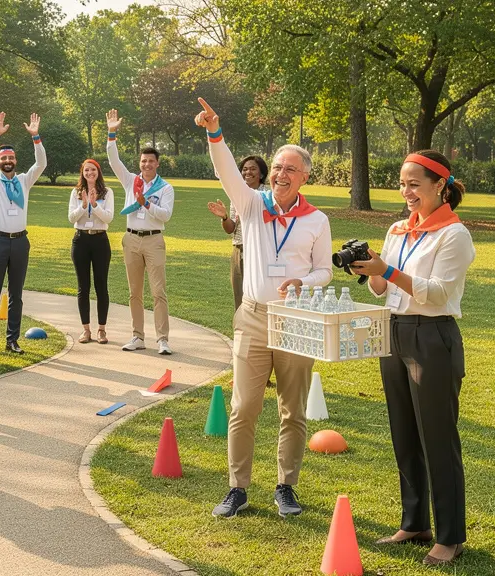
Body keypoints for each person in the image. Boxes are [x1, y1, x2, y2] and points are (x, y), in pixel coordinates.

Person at [194, 98, 333, 519]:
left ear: (305, 176)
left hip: (296, 321)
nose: (280, 174)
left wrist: (304, 282)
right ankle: (237, 488)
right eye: (276, 167)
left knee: (293, 410)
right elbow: (226, 171)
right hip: (253, 317)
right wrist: (214, 132)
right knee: (243, 407)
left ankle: (285, 486)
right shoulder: (252, 203)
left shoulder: (317, 220)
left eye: (290, 168)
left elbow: (325, 270)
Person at [349, 150, 474, 566]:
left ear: (440, 185)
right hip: (394, 332)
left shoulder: (454, 234)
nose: (406, 191)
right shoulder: (398, 229)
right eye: (402, 184)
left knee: (437, 438)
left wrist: (386, 271)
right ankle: (415, 522)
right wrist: (371, 272)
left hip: (432, 337)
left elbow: (436, 293)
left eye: (414, 184)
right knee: (404, 433)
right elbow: (382, 289)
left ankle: (450, 537)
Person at [105, 109, 174, 355]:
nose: (146, 165)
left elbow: (165, 215)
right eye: (143, 161)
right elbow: (113, 160)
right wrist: (111, 133)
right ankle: (137, 336)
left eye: (151, 161)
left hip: (154, 240)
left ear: (157, 164)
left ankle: (162, 339)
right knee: (134, 292)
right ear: (140, 163)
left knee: (158, 292)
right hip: (131, 238)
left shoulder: (165, 188)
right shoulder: (130, 181)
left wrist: (146, 204)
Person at [0, 112, 46, 355]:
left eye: (11, 157)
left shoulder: (24, 181)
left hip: (20, 242)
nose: (8, 161)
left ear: (16, 160)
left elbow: (41, 164)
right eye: (4, 158)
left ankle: (12, 339)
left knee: (16, 294)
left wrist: (36, 137)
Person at [207, 155, 269, 310]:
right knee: (239, 296)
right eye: (245, 169)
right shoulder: (236, 195)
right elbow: (231, 229)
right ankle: (241, 325)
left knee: (261, 296)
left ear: (261, 174)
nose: (248, 172)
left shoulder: (269, 196)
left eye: (253, 169)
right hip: (239, 250)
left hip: (261, 251)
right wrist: (224, 217)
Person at [68, 158, 114, 344]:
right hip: (81, 240)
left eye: (93, 170)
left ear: (98, 172)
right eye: (86, 170)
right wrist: (83, 205)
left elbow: (108, 218)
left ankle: (101, 329)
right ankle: (86, 329)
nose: (90, 173)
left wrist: (94, 205)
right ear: (82, 172)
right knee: (83, 287)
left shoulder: (107, 192)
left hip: (100, 240)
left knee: (101, 286)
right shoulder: (76, 192)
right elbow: (72, 218)